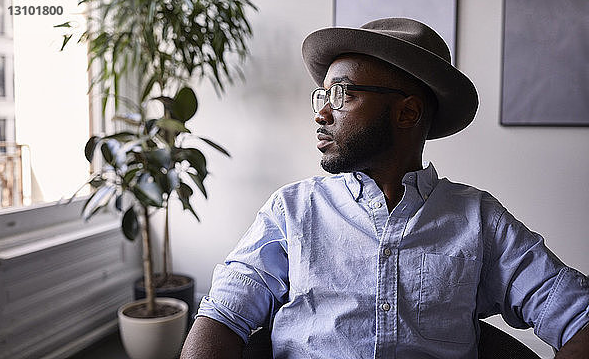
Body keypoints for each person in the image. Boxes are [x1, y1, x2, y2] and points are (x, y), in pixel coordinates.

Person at [181, 18, 589, 358]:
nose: (322, 112)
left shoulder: (479, 220)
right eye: (321, 95)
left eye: (342, 94)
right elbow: (222, 316)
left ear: (407, 111)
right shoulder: (292, 209)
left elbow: (578, 317)